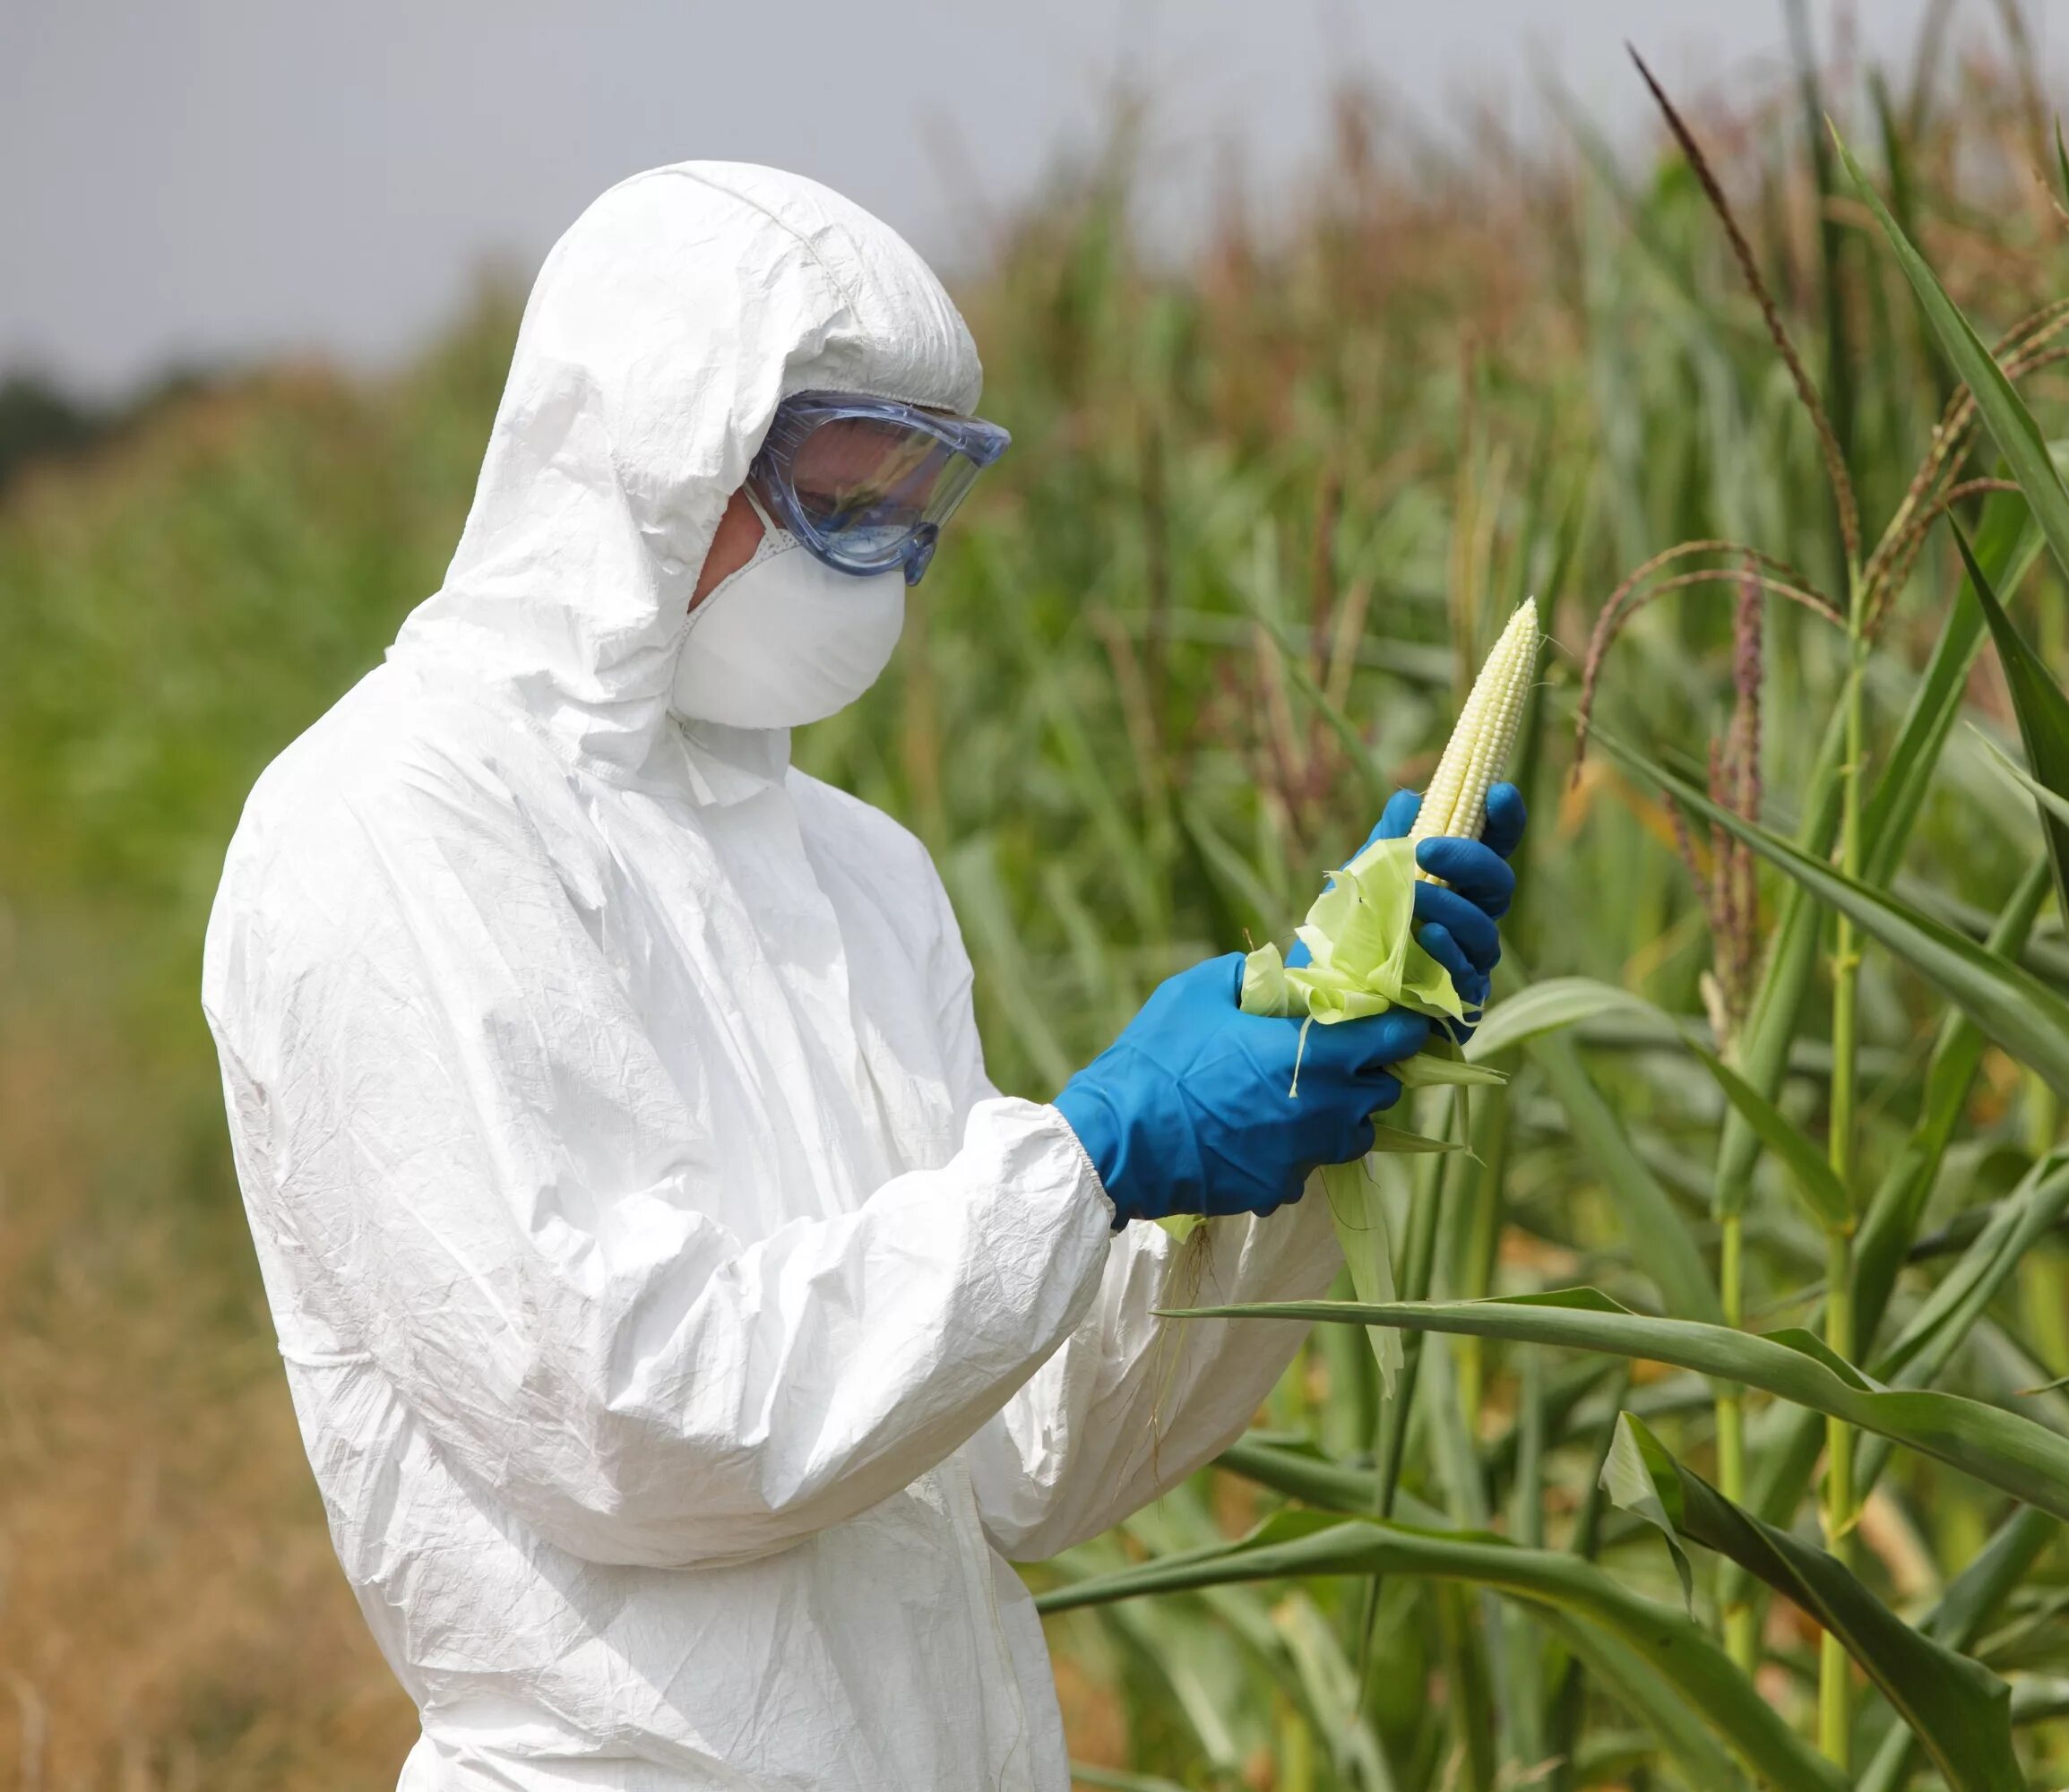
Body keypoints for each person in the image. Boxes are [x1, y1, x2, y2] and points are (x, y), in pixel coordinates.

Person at [201, 161, 1525, 1791]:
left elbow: (1016, 1461)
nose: (886, 556)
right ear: (654, 457)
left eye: (920, 501)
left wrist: (1282, 1131)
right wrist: (1091, 1154)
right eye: (847, 495)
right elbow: (625, 1421)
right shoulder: (389, 826)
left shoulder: (854, 867)